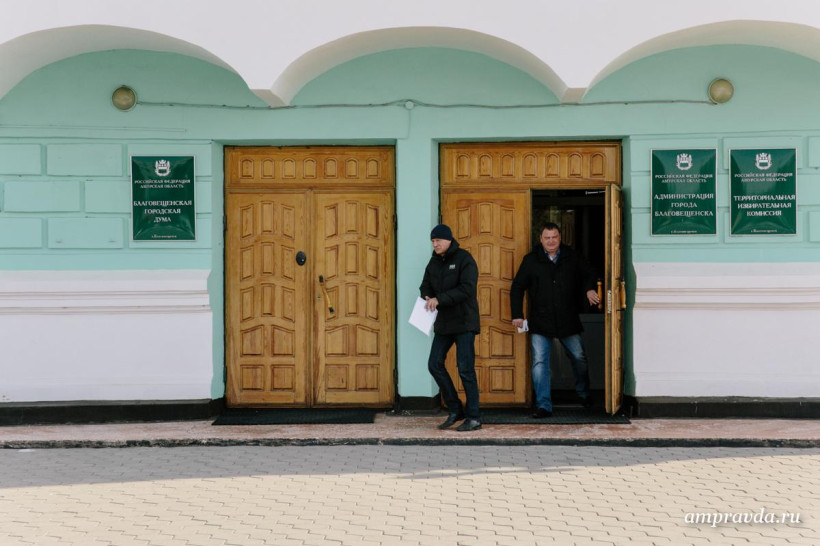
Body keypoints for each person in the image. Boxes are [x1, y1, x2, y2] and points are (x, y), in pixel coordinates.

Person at [510, 222, 600, 418]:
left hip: (568, 318)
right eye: (547, 238)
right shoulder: (531, 260)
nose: (551, 241)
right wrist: (517, 314)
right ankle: (543, 405)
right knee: (540, 362)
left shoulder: (572, 256)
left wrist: (589, 288)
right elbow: (517, 287)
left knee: (579, 358)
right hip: (541, 320)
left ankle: (584, 394)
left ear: (560, 238)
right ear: (541, 239)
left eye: (554, 237)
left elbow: (590, 273)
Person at [420, 224, 482, 431]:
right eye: (432, 241)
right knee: (434, 364)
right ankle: (455, 409)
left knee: (465, 369)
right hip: (444, 323)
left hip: (464, 322)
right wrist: (427, 296)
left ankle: (474, 417)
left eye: (438, 240)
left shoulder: (464, 259)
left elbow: (467, 289)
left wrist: (440, 299)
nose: (435, 244)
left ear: (448, 240)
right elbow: (425, 285)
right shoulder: (433, 262)